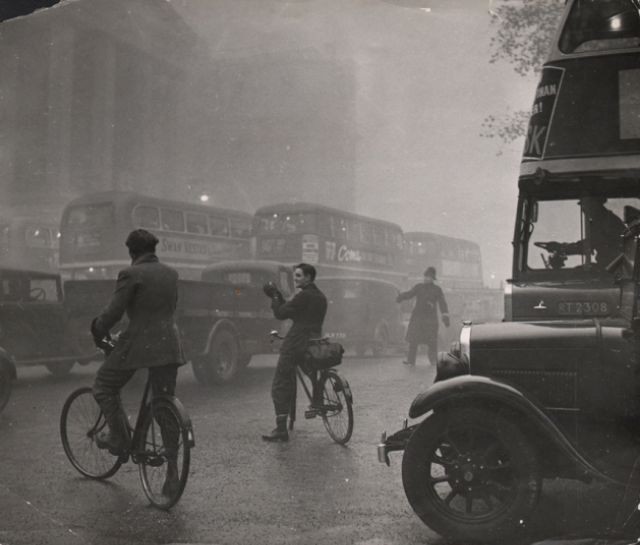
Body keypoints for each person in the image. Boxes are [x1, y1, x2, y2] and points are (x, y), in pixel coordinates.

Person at [91, 229, 185, 495]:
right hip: (169, 344)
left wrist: (98, 330)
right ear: (153, 249)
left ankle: (119, 438)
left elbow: (113, 312)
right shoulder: (171, 273)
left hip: (139, 344)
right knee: (165, 404)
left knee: (104, 386)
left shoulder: (130, 274)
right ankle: (172, 474)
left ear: (131, 251)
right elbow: (170, 308)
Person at [262, 263, 327, 442]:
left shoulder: (304, 296)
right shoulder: (320, 297)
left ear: (308, 277)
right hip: (314, 340)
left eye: (298, 276)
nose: (295, 279)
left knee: (281, 382)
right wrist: (282, 300)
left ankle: (281, 429)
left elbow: (281, 314)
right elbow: (294, 311)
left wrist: (275, 296)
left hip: (297, 341)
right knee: (312, 371)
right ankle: (318, 400)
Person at [544, 196, 626, 269]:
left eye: (585, 205)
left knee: (577, 273)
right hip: (610, 265)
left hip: (612, 267)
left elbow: (588, 245)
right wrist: (562, 248)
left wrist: (561, 248)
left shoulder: (607, 222)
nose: (583, 210)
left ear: (595, 204)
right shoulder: (602, 220)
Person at [396, 266, 449, 366]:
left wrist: (445, 316)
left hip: (430, 320)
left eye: (428, 277)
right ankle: (411, 361)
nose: (426, 278)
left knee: (432, 341)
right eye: (425, 276)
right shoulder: (419, 287)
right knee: (413, 340)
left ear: (432, 278)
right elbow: (410, 294)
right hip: (418, 318)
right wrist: (401, 297)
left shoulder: (437, 290)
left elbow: (442, 303)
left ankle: (433, 360)